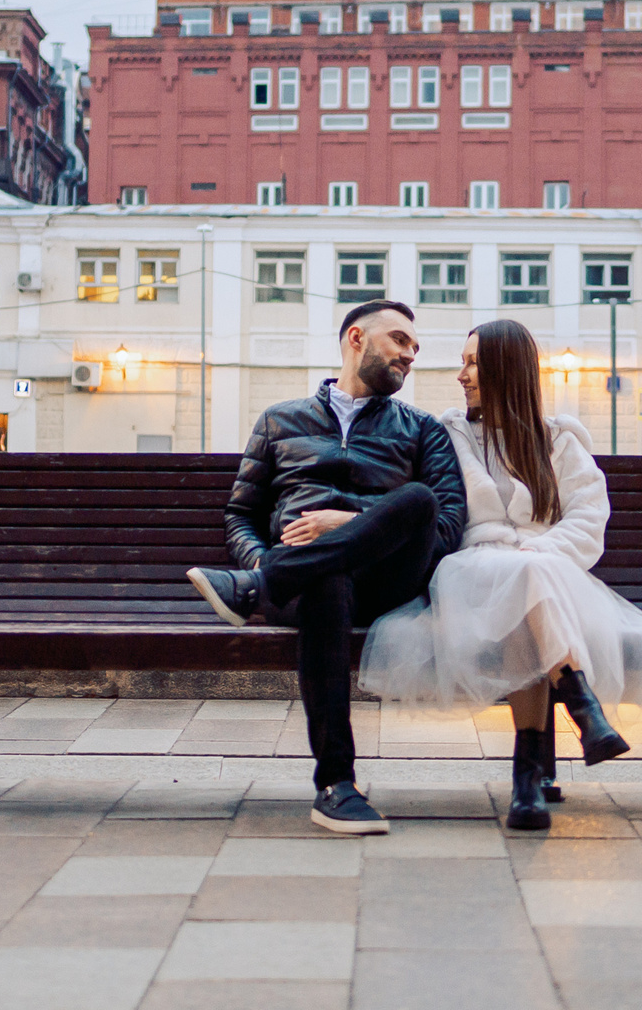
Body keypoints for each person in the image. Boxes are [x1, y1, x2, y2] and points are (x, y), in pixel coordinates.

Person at [359, 319, 642, 832]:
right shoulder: (449, 434)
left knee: (529, 587)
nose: (461, 375)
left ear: (507, 368)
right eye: (463, 362)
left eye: (472, 363)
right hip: (470, 575)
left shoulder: (558, 439)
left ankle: (528, 781)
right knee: (528, 579)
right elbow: (437, 512)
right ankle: (581, 713)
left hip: (548, 574)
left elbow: (588, 518)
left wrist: (539, 548)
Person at [189, 299, 466, 836]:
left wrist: (350, 522)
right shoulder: (280, 420)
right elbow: (241, 515)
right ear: (356, 338)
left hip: (386, 583)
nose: (410, 355)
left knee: (418, 499)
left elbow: (448, 524)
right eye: (400, 340)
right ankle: (337, 786)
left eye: (415, 347)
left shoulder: (422, 429)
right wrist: (261, 556)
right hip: (308, 589)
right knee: (327, 581)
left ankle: (260, 586)